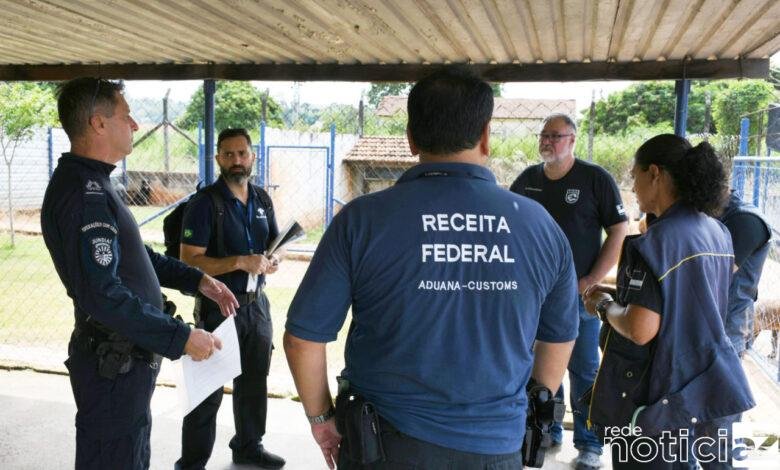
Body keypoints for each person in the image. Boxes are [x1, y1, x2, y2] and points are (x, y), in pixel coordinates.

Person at [284, 68, 579, 469]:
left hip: (383, 447)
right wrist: (523, 415)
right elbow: (559, 338)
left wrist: (321, 419)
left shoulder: (362, 220)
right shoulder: (540, 225)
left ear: (410, 137)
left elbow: (303, 339)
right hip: (495, 448)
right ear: (486, 136)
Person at [41, 77, 239, 470]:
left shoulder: (96, 181)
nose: (134, 125)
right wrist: (180, 336)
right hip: (112, 364)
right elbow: (102, 292)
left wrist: (198, 280)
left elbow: (136, 257)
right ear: (98, 124)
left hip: (124, 361)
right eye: (126, 116)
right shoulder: (85, 193)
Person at [583, 134, 755, 468]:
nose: (633, 187)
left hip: (657, 396)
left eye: (635, 176)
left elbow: (640, 328)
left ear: (656, 174)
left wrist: (603, 306)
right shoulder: (717, 231)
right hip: (702, 386)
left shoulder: (656, 243)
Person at [509, 113, 628, 469]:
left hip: (578, 298)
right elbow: (509, 226)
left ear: (573, 140)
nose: (547, 141)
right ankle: (546, 431)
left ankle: (589, 443)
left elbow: (619, 231)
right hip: (534, 297)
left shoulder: (595, 180)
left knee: (584, 368)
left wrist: (591, 280)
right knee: (540, 366)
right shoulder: (527, 180)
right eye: (543, 135)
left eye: (555, 136)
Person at [175, 128, 285, 470]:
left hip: (257, 305)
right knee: (207, 392)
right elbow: (188, 260)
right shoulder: (205, 203)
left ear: (252, 156)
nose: (236, 160)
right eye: (228, 154)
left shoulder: (262, 199)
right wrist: (239, 261)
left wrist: (271, 261)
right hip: (218, 308)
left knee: (254, 382)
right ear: (218, 158)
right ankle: (192, 463)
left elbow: (270, 245)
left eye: (242, 153)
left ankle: (248, 446)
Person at [719, 191, 772, 356]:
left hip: (730, 322)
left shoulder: (746, 220)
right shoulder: (718, 215)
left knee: (724, 377)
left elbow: (716, 275)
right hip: (719, 317)